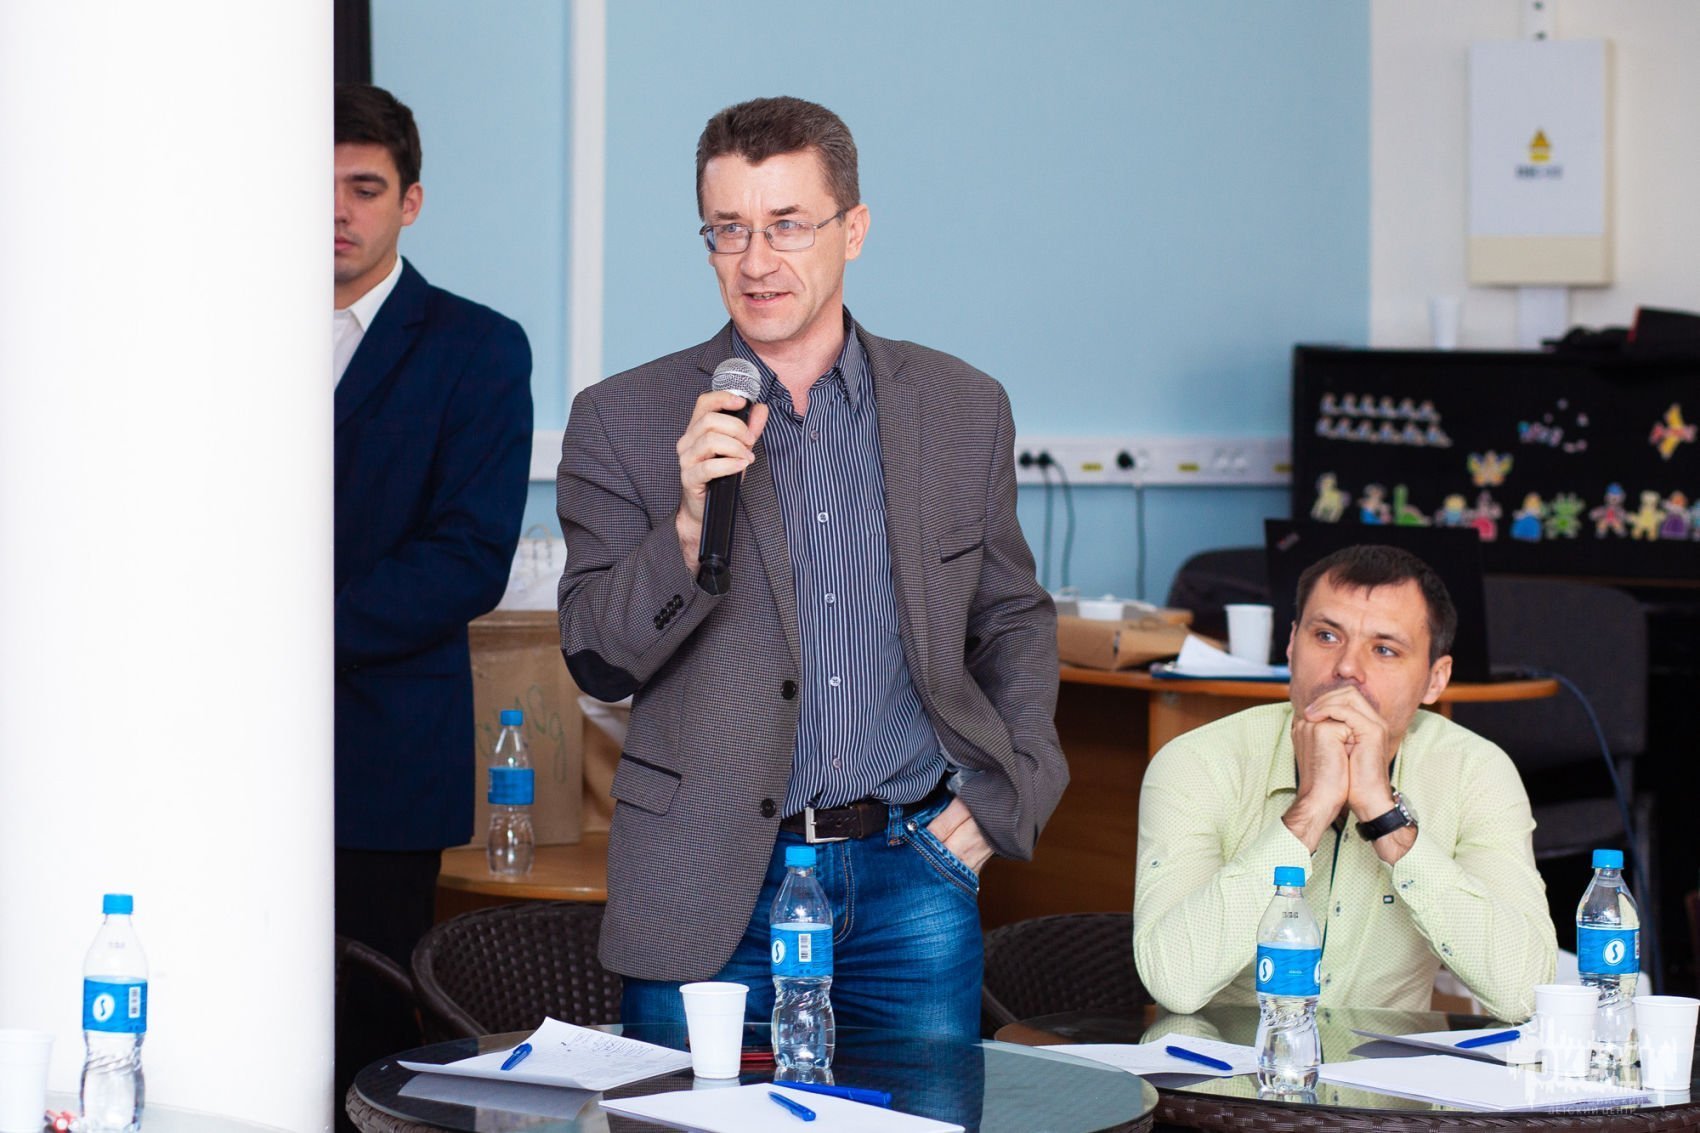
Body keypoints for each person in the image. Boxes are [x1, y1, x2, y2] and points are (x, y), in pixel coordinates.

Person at [556, 96, 1065, 1038]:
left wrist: (1008, 793)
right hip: (706, 884)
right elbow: (594, 657)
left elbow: (1012, 620)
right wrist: (684, 529)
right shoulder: (620, 418)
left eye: (788, 224)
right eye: (729, 229)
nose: (756, 261)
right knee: (684, 1110)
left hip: (913, 877)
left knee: (924, 1109)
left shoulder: (962, 407)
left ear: (853, 230)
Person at [332, 82, 532, 1109]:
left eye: (364, 188)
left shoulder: (476, 346)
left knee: (363, 1039)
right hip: (221, 755)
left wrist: (281, 633)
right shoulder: (221, 336)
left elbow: (468, 556)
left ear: (410, 202)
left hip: (381, 760)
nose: (335, 211)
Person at [1132, 544, 1555, 1022]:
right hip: (1227, 1064)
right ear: (1292, 646)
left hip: (1387, 1069)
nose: (1347, 668)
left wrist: (1384, 814)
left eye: (1384, 649)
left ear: (1435, 680)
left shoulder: (1474, 771)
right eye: (1327, 636)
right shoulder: (1198, 762)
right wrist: (1309, 811)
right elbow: (1174, 982)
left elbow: (1523, 992)